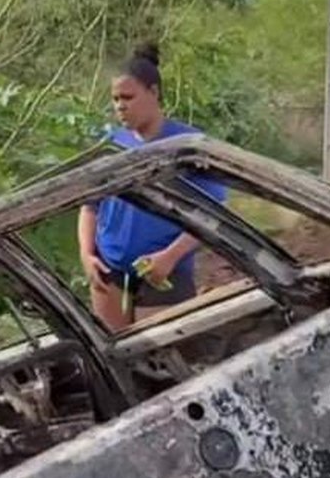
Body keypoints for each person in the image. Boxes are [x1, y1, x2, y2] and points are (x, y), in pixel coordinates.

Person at [77, 43, 227, 332]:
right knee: (114, 358)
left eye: (128, 97)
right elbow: (89, 206)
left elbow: (213, 213)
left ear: (154, 92)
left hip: (163, 273)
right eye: (115, 99)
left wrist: (169, 257)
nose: (120, 105)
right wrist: (86, 254)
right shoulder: (109, 144)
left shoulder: (188, 145)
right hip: (108, 271)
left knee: (161, 364)